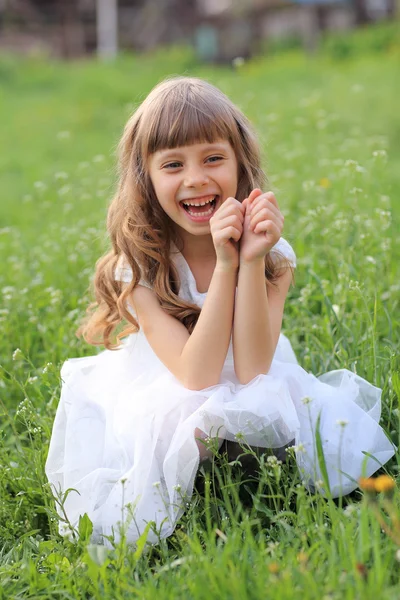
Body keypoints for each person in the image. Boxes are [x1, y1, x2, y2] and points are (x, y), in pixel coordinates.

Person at [45, 76, 395, 546]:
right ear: (145, 178)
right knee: (179, 431)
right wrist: (225, 263)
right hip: (175, 380)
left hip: (251, 374)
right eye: (173, 164)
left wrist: (249, 259)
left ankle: (240, 468)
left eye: (213, 158)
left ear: (239, 164)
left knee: (273, 420)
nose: (196, 178)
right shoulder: (140, 267)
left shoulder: (272, 255)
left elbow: (252, 371)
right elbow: (196, 377)